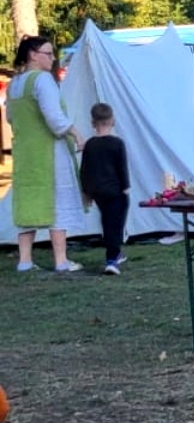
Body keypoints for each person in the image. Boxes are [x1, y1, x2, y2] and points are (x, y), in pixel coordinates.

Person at [7, 34, 86, 274]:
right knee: (57, 202)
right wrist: (76, 133)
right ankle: (61, 260)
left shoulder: (14, 84)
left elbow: (10, 117)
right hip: (49, 151)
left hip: (25, 153)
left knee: (27, 202)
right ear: (33, 55)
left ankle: (25, 261)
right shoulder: (42, 80)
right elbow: (54, 118)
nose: (52, 59)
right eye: (48, 53)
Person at [80, 103, 130, 275]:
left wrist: (86, 191)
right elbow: (122, 168)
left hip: (97, 191)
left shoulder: (90, 145)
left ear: (93, 123)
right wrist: (125, 187)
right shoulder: (117, 143)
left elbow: (84, 169)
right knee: (115, 224)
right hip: (115, 191)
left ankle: (117, 253)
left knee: (107, 221)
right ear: (112, 121)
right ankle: (112, 259)